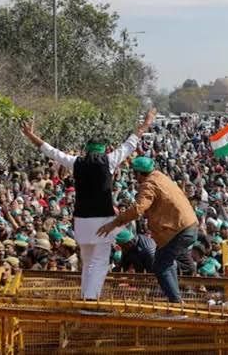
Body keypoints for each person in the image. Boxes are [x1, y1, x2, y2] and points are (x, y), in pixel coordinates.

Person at [21, 108, 156, 299]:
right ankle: (90, 301)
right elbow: (130, 143)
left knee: (87, 261)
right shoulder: (109, 161)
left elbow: (52, 152)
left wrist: (31, 136)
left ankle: (86, 296)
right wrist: (146, 124)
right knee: (99, 262)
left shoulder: (76, 163)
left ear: (87, 150)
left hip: (82, 221)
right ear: (105, 149)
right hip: (103, 220)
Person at [97, 156, 198, 303]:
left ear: (139, 173)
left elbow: (138, 209)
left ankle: (176, 302)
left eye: (135, 174)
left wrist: (114, 223)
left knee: (161, 265)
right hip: (186, 226)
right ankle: (175, 298)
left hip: (177, 230)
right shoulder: (161, 177)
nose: (135, 177)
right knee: (165, 262)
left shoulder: (149, 184)